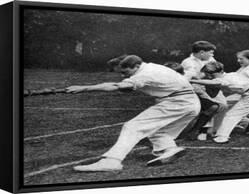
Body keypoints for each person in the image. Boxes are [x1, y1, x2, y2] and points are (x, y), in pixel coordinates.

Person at [69, 55, 200, 171]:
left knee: (132, 126)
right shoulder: (152, 67)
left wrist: (84, 88)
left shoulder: (145, 74)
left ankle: (112, 161)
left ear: (136, 66)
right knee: (158, 132)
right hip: (192, 103)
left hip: (178, 102)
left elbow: (116, 86)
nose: (123, 76)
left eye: (125, 72)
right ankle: (170, 149)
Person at [190, 61, 249, 143]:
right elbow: (213, 94)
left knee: (231, 115)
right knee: (230, 107)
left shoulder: (225, 79)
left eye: (212, 74)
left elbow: (215, 82)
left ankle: (222, 137)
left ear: (221, 71)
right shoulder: (231, 74)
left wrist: (194, 81)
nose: (210, 76)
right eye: (208, 74)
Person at [163, 62, 226, 141]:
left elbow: (211, 95)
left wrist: (205, 85)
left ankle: (194, 131)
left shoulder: (214, 80)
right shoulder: (189, 76)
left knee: (213, 106)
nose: (210, 77)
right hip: (177, 97)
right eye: (209, 75)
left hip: (193, 96)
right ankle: (169, 133)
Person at [180, 41, 227, 136]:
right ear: (202, 52)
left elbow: (216, 70)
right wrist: (205, 75)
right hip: (195, 89)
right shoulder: (188, 63)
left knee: (223, 105)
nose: (212, 55)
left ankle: (209, 128)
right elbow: (193, 78)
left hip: (210, 86)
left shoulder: (209, 58)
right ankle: (198, 129)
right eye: (210, 52)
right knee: (212, 106)